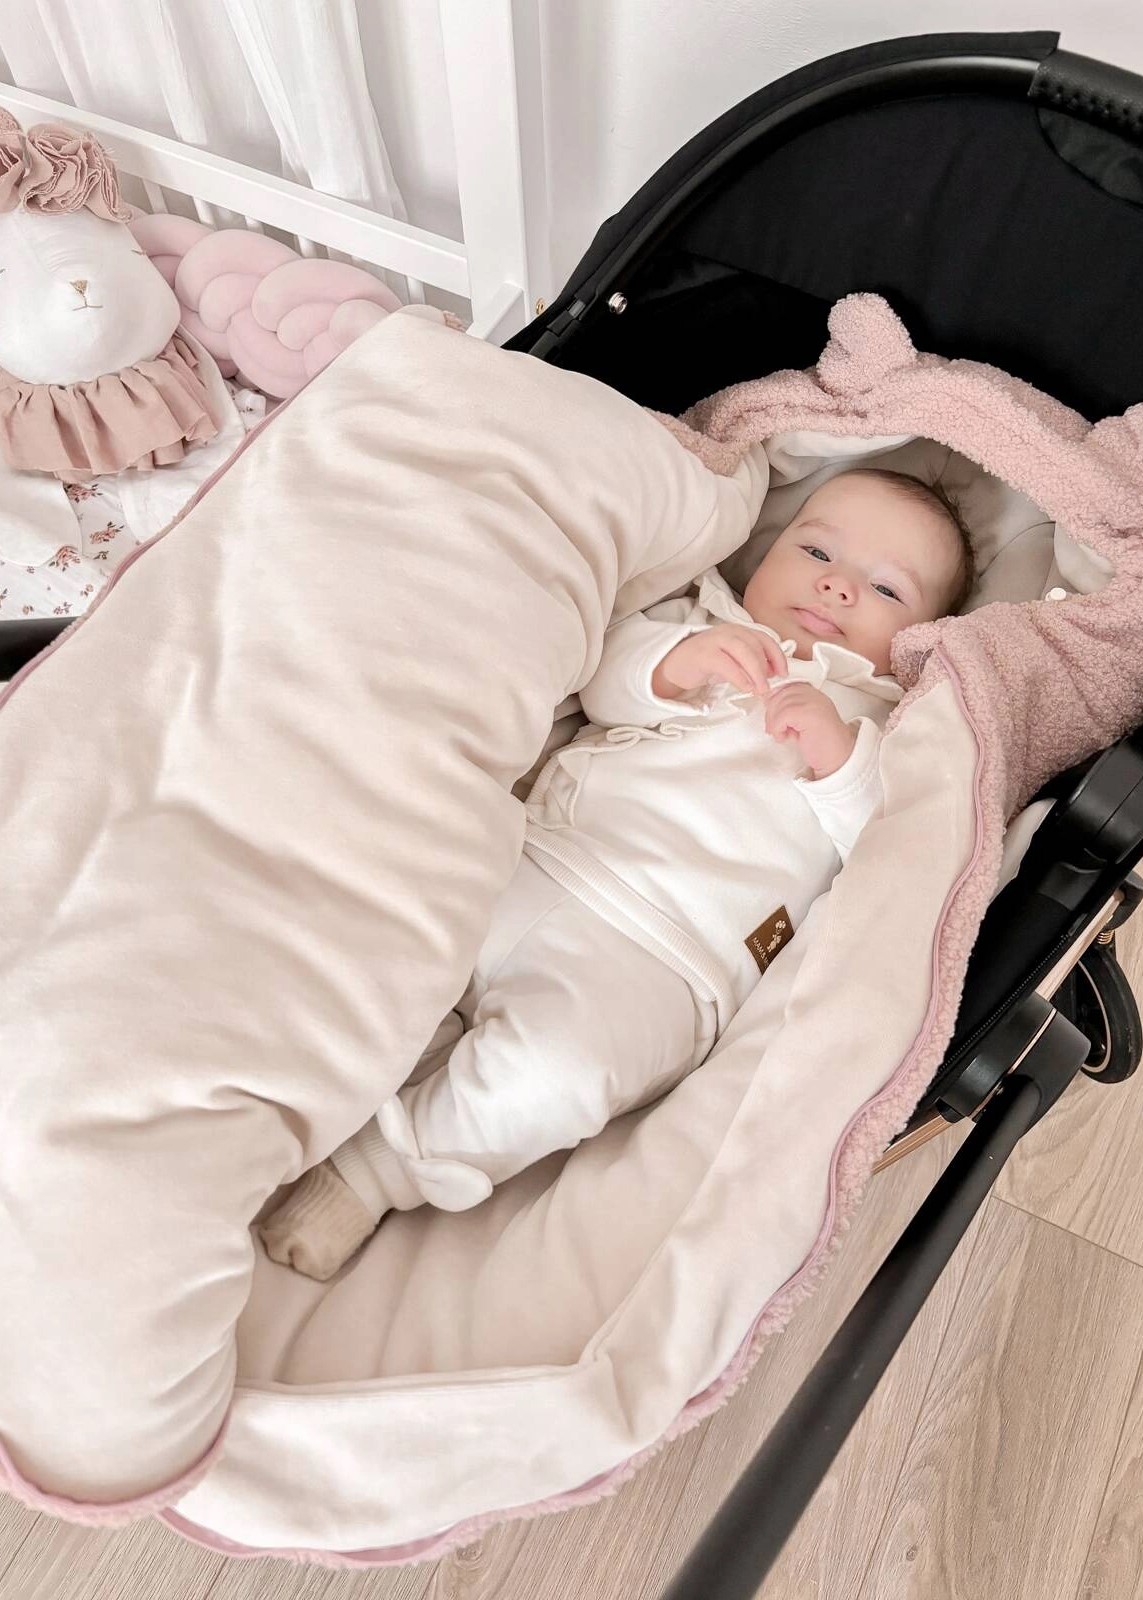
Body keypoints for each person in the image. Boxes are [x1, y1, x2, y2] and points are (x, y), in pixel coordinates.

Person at [260, 467, 975, 1279]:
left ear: (920, 638)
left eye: (884, 589)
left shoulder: (889, 724)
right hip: (531, 857)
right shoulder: (702, 619)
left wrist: (838, 760)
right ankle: (295, 1083)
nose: (835, 586)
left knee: (554, 1076)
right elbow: (601, 683)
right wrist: (676, 664)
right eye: (815, 551)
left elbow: (895, 853)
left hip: (661, 966)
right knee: (386, 948)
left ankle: (375, 1174)